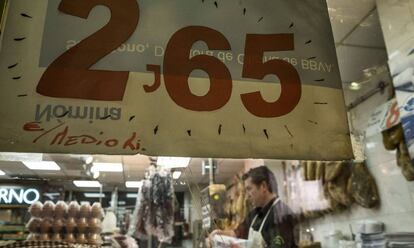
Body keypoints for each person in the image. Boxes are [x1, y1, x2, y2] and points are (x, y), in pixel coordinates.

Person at [209, 166, 297, 248]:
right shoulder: (255, 213)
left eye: (249, 189)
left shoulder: (282, 216)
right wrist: (219, 233)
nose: (247, 196)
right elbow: (238, 233)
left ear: (263, 186)